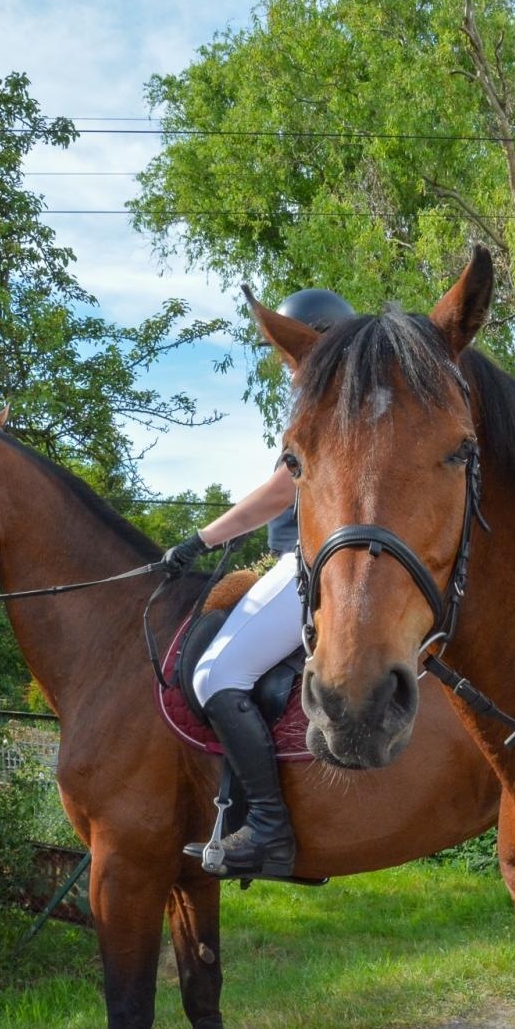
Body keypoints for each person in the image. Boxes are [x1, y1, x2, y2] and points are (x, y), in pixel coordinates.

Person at [160, 287, 356, 879]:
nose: (281, 361)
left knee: (217, 674)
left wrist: (201, 539)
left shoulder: (328, 400)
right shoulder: (346, 400)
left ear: (312, 341)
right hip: (298, 561)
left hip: (309, 565)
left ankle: (270, 831)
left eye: (287, 349)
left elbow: (277, 493)